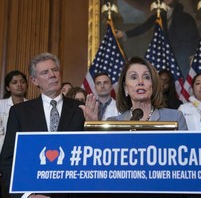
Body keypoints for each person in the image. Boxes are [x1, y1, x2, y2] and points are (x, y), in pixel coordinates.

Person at [0, 53, 85, 198]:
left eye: (55, 70)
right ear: (34, 80)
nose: (52, 75)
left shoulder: (81, 109)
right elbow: (8, 160)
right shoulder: (19, 112)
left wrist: (93, 124)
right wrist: (26, 195)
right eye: (45, 72)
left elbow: (91, 155)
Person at [115, 0, 199, 77]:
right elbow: (144, 27)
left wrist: (192, 55)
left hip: (180, 56)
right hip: (162, 56)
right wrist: (124, 34)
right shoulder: (159, 16)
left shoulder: (187, 18)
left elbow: (193, 37)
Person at [104, 56, 187, 130]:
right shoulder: (114, 123)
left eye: (146, 77)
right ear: (125, 88)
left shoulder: (175, 118)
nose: (140, 82)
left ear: (153, 85)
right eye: (134, 77)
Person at [0, 70, 28, 198]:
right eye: (14, 82)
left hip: (24, 156)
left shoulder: (31, 106)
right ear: (7, 87)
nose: (19, 85)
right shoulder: (1, 105)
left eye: (22, 82)